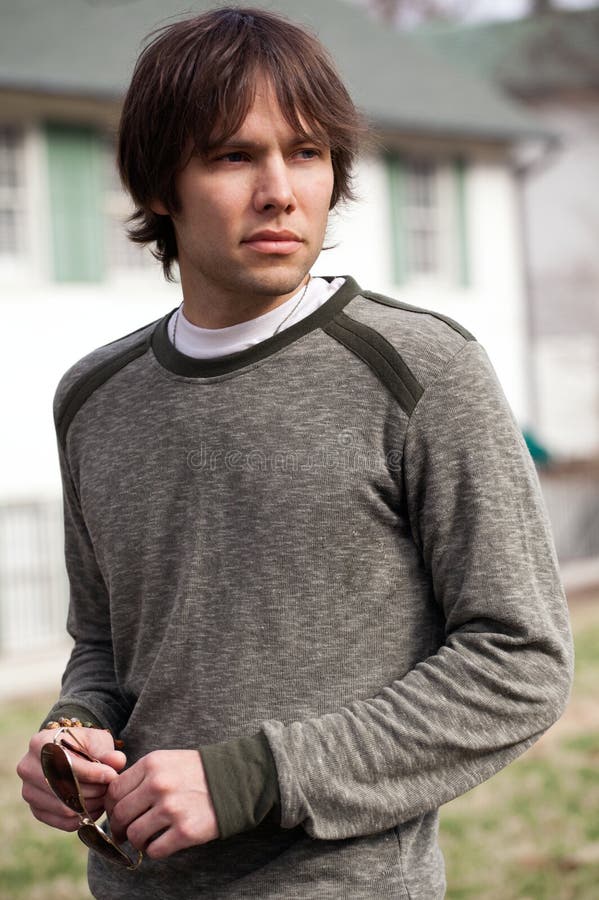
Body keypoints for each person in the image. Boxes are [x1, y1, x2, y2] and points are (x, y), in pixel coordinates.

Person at [17, 7, 573, 899]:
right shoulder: (94, 398)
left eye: (307, 153)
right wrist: (73, 731)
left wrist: (254, 778)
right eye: (234, 156)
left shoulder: (422, 370)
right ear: (160, 185)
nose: (280, 189)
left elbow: (520, 663)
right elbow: (108, 646)